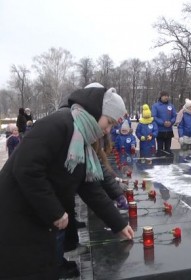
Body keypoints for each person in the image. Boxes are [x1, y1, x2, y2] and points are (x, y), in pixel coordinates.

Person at [0, 83, 134, 279]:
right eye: (110, 122)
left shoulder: (82, 139)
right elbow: (27, 169)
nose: (108, 130)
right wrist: (54, 211)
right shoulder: (58, 124)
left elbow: (89, 186)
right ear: (97, 112)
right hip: (18, 220)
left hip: (38, 222)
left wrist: (118, 224)